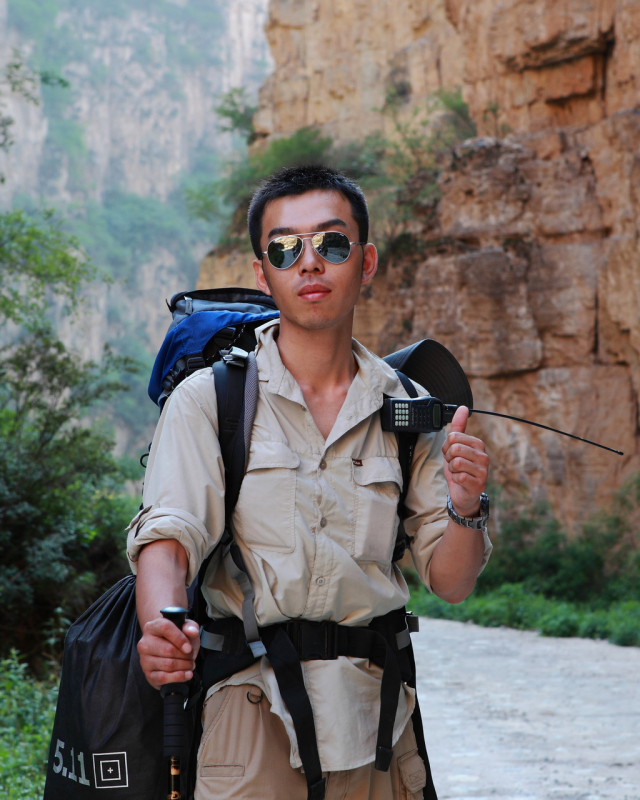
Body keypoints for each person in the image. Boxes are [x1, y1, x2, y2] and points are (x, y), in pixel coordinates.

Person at [128, 165, 491, 800]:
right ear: (262, 273)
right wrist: (162, 627)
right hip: (250, 723)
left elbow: (452, 582)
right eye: (284, 249)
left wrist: (464, 506)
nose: (310, 263)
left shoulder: (408, 408)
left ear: (366, 261)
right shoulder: (211, 400)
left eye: (332, 243)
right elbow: (170, 536)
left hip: (378, 724)